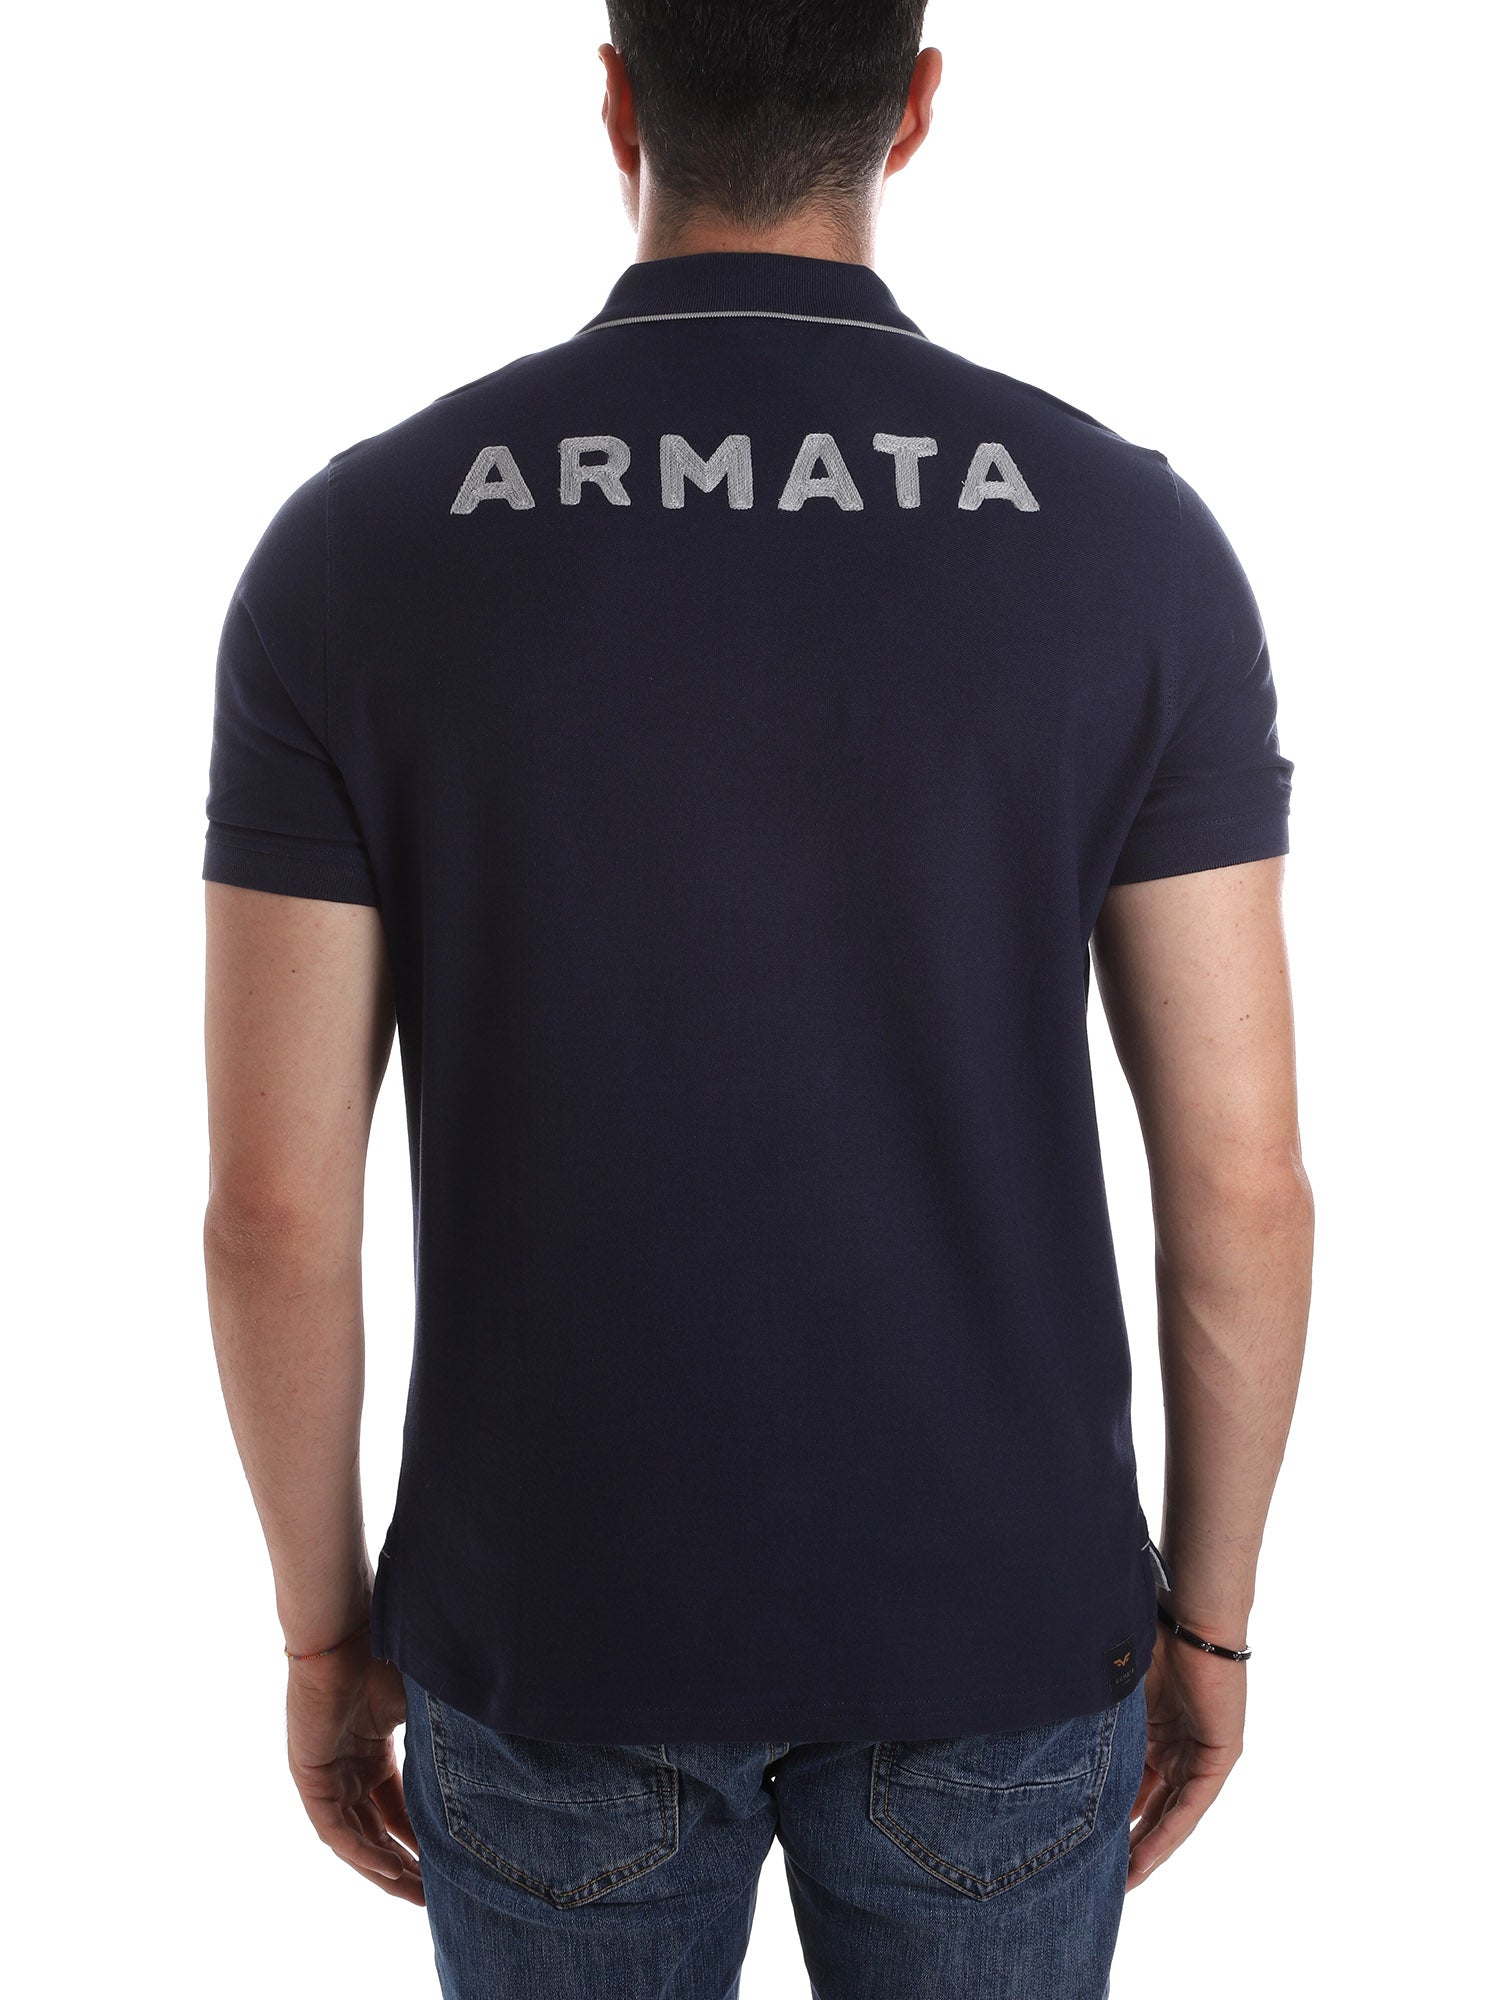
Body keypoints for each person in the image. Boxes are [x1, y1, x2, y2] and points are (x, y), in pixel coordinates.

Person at [200, 4, 1315, 1994]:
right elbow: (1243, 1186)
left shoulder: (358, 547)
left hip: (552, 1620)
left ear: (617, 99)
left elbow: (275, 1213)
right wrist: (1212, 1619)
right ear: (916, 106)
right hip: (995, 1619)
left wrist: (323, 1629)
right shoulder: (1132, 540)